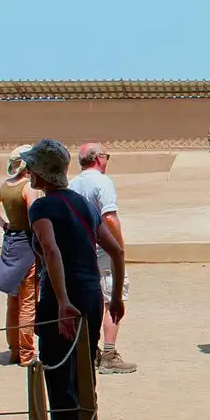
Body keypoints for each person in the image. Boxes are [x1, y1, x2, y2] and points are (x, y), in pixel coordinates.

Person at [21, 139, 125, 420]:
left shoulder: (42, 206)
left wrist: (62, 300)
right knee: (84, 374)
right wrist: (115, 296)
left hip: (60, 302)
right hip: (91, 296)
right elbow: (115, 248)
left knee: (60, 381)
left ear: (41, 171)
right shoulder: (81, 203)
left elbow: (50, 249)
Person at [68, 143, 137, 374]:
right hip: (102, 250)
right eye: (106, 156)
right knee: (112, 299)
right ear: (98, 158)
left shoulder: (73, 183)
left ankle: (91, 350)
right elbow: (109, 217)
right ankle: (108, 353)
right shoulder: (102, 182)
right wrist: (118, 247)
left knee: (91, 298)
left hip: (80, 249)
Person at [0, 145, 39, 366]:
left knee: (13, 301)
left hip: (10, 245)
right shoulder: (27, 188)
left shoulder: (5, 186)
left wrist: (5, 225)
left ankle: (14, 350)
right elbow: (34, 216)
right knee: (28, 302)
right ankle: (27, 353)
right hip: (26, 248)